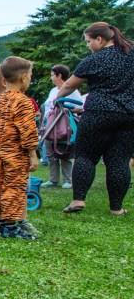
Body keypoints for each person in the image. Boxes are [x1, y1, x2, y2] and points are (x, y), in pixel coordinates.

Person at [56, 22, 134, 216]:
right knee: (119, 161)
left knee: (86, 156)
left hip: (97, 112)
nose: (88, 46)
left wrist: (56, 101)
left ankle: (78, 200)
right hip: (128, 115)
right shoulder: (131, 55)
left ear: (100, 39)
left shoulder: (94, 59)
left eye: (88, 41)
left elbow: (67, 87)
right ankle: (116, 208)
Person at [0, 56, 39, 239]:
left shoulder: (0, 100)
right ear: (23, 77)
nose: (30, 79)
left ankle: (1, 219)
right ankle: (10, 226)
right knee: (14, 188)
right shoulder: (23, 102)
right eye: (30, 75)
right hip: (15, 153)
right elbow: (27, 130)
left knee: (1, 186)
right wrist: (32, 154)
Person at [41, 64, 83, 189]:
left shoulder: (72, 91)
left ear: (59, 75)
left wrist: (67, 109)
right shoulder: (53, 91)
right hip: (50, 125)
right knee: (50, 153)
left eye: (52, 75)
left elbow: (80, 108)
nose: (51, 77)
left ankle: (68, 180)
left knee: (64, 151)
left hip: (64, 125)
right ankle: (53, 180)